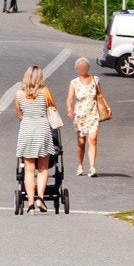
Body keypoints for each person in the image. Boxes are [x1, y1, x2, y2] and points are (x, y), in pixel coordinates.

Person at [14, 64, 57, 213]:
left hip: (26, 129)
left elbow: (19, 114)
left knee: (29, 169)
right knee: (43, 167)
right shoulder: (45, 92)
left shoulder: (19, 94)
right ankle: (40, 197)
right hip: (42, 128)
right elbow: (52, 108)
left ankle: (31, 204)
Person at [66, 57, 104, 177]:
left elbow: (100, 96)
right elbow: (70, 99)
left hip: (93, 115)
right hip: (80, 116)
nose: (83, 69)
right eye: (81, 68)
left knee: (93, 140)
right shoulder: (74, 83)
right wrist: (69, 109)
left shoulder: (95, 80)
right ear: (77, 69)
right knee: (81, 142)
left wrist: (106, 108)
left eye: (85, 67)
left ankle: (92, 167)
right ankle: (80, 165)